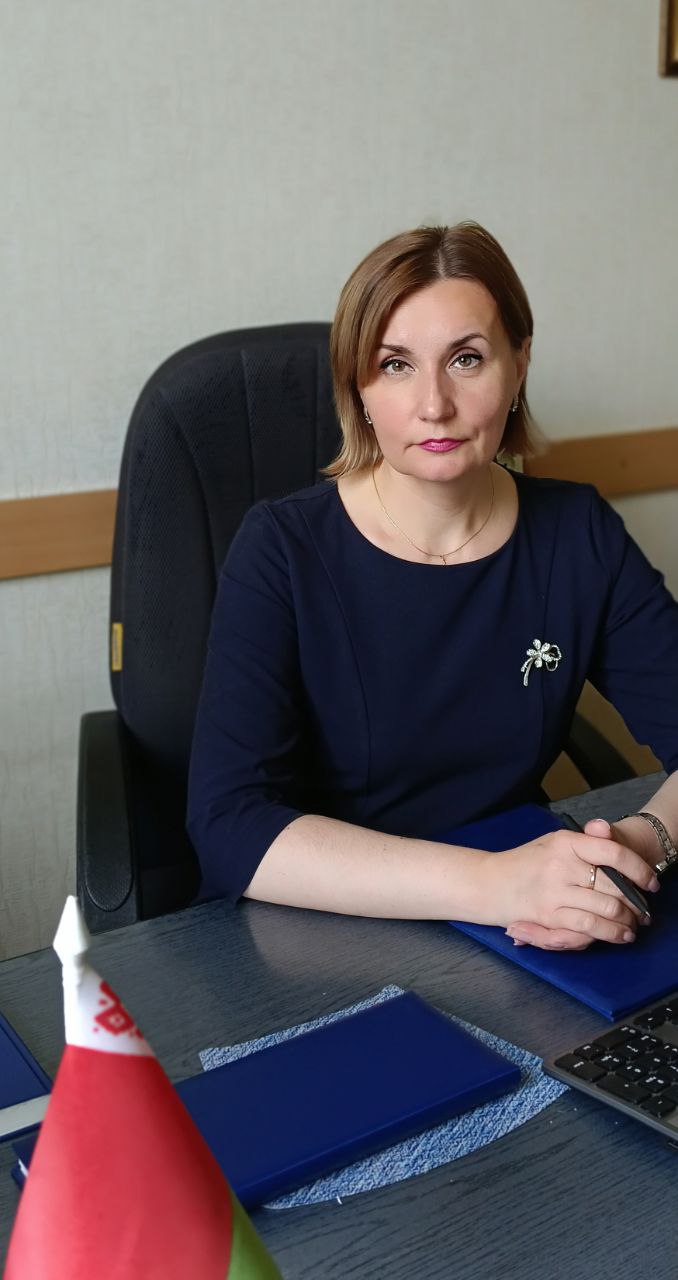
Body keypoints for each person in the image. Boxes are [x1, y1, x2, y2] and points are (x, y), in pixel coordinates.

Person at [187, 221, 678, 951]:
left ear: (519, 365)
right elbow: (230, 826)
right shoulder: (282, 549)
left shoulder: (577, 532)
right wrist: (494, 883)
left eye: (467, 359)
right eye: (395, 366)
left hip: (524, 923)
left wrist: (639, 842)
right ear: (357, 388)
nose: (434, 405)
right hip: (317, 930)